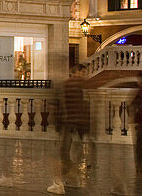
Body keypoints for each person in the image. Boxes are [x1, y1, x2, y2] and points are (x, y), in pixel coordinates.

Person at [47, 65, 89, 194]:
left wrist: (55, 121)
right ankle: (72, 176)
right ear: (76, 72)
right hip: (79, 122)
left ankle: (64, 178)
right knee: (75, 151)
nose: (83, 74)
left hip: (69, 121)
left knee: (64, 151)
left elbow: (56, 103)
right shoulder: (85, 85)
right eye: (82, 72)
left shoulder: (65, 84)